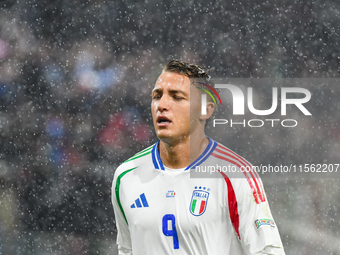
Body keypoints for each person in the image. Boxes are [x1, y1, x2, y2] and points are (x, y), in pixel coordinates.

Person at [111, 60, 285, 254]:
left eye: (176, 97)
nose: (162, 105)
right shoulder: (126, 176)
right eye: (157, 96)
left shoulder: (236, 174)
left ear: (205, 110)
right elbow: (127, 249)